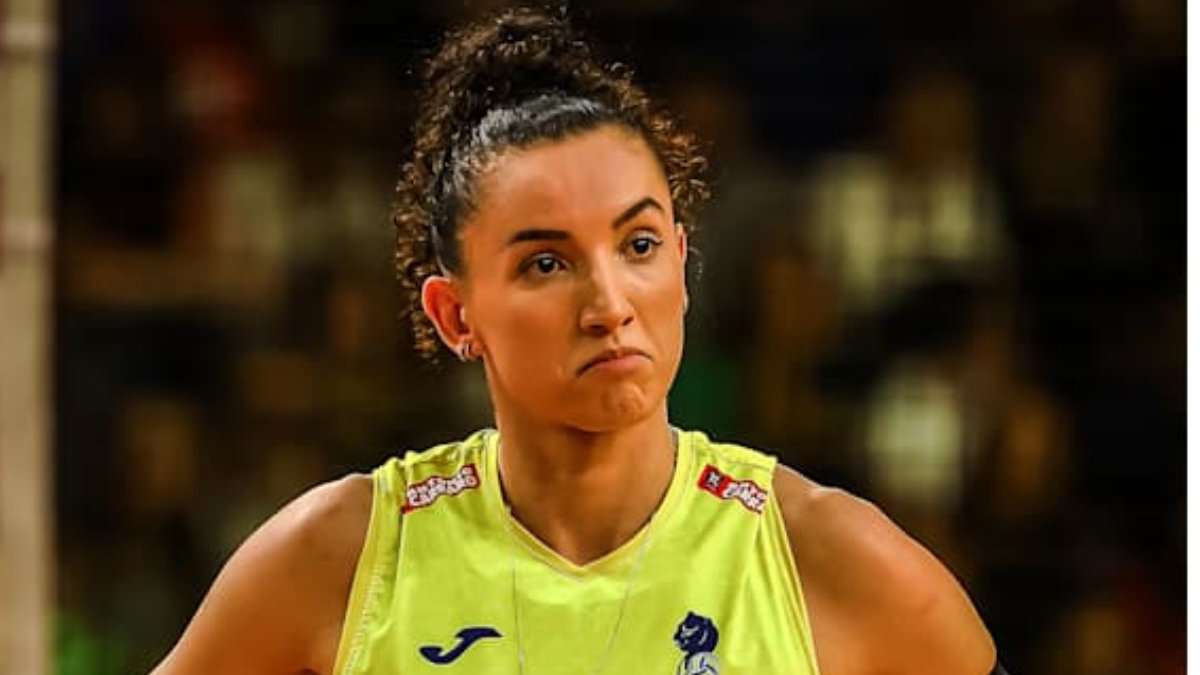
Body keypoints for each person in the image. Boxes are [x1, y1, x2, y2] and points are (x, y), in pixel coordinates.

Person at [151, 7, 1002, 675]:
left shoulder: (821, 554)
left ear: (679, 258)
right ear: (456, 317)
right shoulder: (345, 552)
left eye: (636, 246)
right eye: (547, 262)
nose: (608, 302)